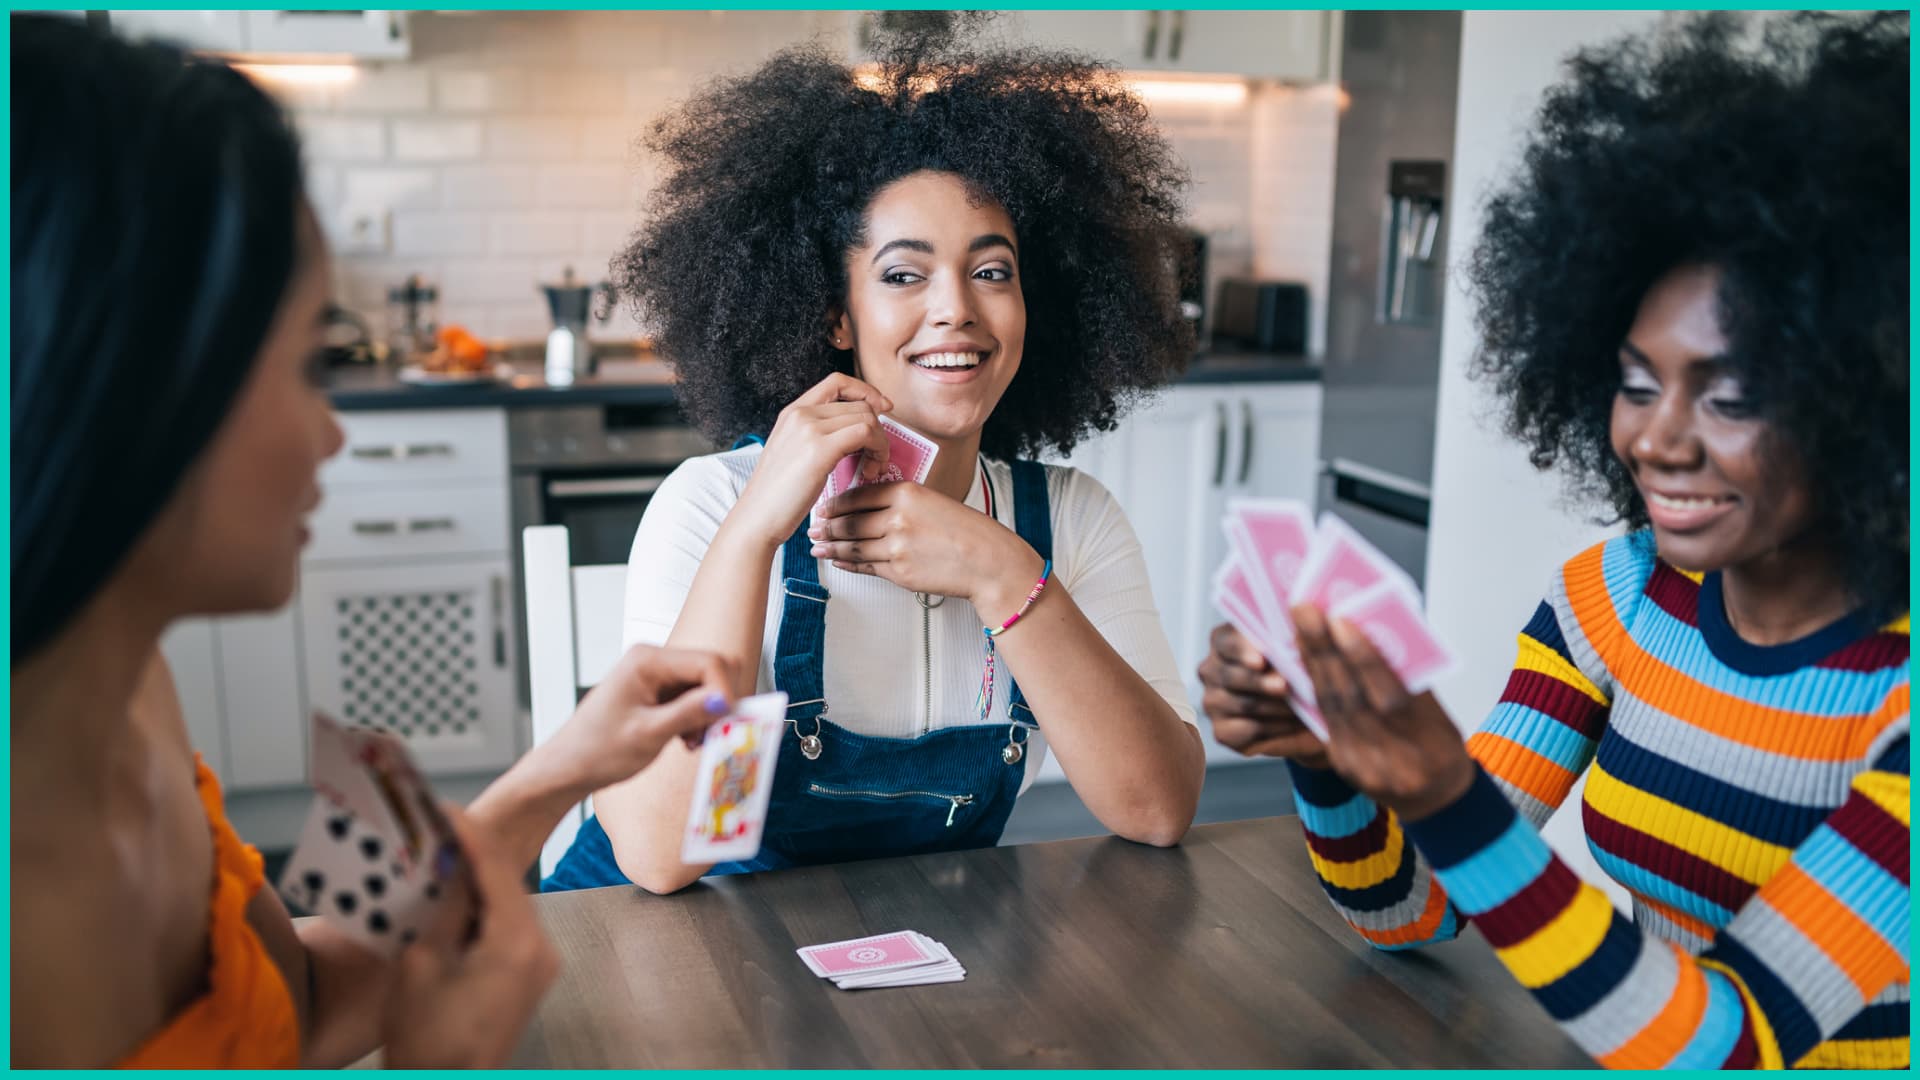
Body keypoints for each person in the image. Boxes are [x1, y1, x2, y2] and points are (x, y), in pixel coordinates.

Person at [9, 15, 735, 1067]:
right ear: (129, 378)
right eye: (306, 362)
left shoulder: (131, 701)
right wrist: (442, 1057)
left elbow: (292, 998)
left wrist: (558, 772)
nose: (334, 428)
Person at [1197, 11, 1907, 1070]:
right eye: (1634, 383)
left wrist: (1445, 792)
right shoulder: (1617, 597)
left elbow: (1732, 1045)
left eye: (1735, 395)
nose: (1657, 440)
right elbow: (1412, 911)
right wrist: (1327, 760)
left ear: (1873, 399)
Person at [542, 21, 1207, 894]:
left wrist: (1004, 575)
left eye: (992, 271)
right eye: (903, 275)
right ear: (836, 318)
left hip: (903, 971)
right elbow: (670, 855)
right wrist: (750, 543)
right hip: (657, 956)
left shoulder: (1070, 523)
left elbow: (1157, 811)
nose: (955, 310)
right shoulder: (713, 505)